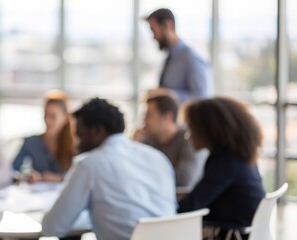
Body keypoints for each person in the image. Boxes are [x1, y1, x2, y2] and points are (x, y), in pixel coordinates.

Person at [42, 98, 176, 240]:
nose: (75, 143)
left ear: (97, 131)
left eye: (79, 134)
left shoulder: (88, 164)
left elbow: (52, 228)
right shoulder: (158, 158)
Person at [178, 97, 265, 240]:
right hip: (244, 231)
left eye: (191, 128)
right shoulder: (241, 157)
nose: (188, 136)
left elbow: (190, 206)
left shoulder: (225, 162)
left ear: (209, 129)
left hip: (227, 234)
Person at [134, 93, 204, 187]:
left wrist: (145, 175)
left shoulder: (189, 139)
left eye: (149, 116)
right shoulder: (146, 140)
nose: (144, 121)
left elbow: (183, 179)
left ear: (168, 117)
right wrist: (133, 148)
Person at [146, 8, 209, 102]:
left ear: (167, 25)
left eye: (153, 30)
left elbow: (202, 97)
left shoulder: (190, 57)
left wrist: (167, 94)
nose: (153, 37)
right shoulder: (169, 58)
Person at [13, 90, 74, 183]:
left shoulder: (74, 144)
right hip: (37, 195)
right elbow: (12, 169)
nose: (48, 121)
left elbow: (81, 175)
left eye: (53, 116)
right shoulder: (31, 142)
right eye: (46, 115)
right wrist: (26, 175)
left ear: (65, 118)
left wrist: (58, 178)